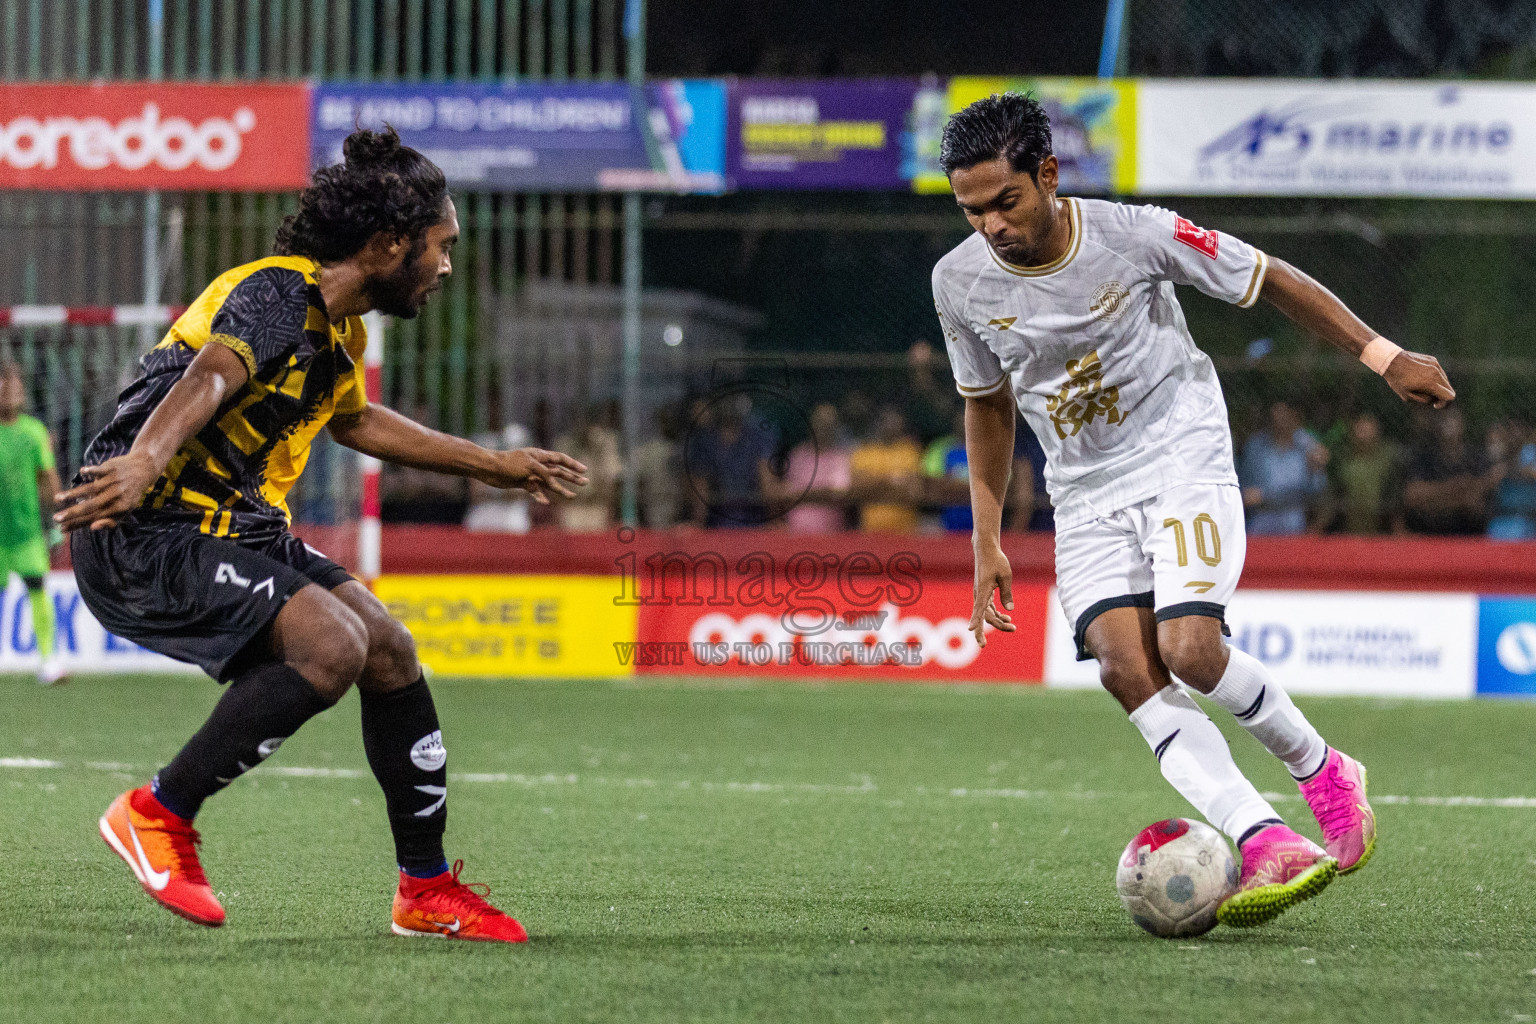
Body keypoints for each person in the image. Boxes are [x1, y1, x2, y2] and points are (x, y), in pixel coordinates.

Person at [936, 93, 1453, 927]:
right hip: (1085, 493)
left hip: (1181, 452)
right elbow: (986, 403)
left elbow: (1270, 277)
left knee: (1190, 647)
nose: (990, 225)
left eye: (1006, 201)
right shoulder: (957, 283)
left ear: (1048, 174)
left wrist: (1382, 356)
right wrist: (987, 539)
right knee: (1123, 668)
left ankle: (1322, 768)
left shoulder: (1134, 235)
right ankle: (1262, 840)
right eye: (972, 210)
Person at [60, 128, 588, 942]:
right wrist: (143, 461)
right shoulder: (277, 294)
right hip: (142, 528)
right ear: (386, 246)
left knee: (387, 649)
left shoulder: (339, 333)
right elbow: (209, 377)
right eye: (439, 247)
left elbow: (357, 420)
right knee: (330, 646)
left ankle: (426, 888)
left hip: (229, 525)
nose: (447, 266)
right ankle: (157, 814)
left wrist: (493, 466)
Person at [0, 360, 66, 684]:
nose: (10, 391)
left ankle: (48, 661)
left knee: (37, 589)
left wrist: (58, 520)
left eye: (15, 385)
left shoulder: (34, 432)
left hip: (26, 532)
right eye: (4, 384)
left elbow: (47, 478)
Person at [1239, 401, 1328, 536]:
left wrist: (1314, 469)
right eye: (1275, 413)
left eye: (1284, 414)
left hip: (1293, 516)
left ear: (1294, 416)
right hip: (1261, 515)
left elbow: (1317, 488)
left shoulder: (1308, 445)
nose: (1279, 419)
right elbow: (1245, 483)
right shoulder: (1255, 446)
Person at [1402, 406, 1491, 535]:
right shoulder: (1425, 457)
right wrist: (1454, 486)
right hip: (1430, 532)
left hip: (1469, 533)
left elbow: (1475, 502)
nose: (1448, 424)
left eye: (1452, 419)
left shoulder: (1475, 457)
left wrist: (1434, 501)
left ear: (1462, 425)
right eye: (1443, 420)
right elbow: (1412, 495)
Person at [849, 406, 923, 533]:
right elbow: (857, 488)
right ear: (879, 423)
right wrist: (893, 480)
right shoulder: (864, 452)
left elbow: (914, 490)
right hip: (870, 532)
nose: (891, 426)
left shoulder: (911, 451)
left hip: (905, 533)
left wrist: (874, 483)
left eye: (895, 422)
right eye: (887, 421)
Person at [1329, 412, 1405, 535]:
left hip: (1382, 531)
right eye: (1359, 424)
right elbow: (1333, 496)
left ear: (1377, 428)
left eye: (1367, 424)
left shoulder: (1391, 458)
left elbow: (1396, 497)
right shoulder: (1342, 458)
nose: (1362, 429)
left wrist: (1398, 531)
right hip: (1347, 530)